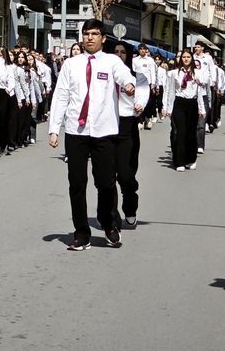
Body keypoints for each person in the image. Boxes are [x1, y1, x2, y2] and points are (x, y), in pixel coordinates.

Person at [48, 19, 135, 251]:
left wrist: (128, 85)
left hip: (104, 131)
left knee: (106, 183)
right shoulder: (71, 64)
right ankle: (81, 233)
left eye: (94, 34)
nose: (89, 38)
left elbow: (124, 76)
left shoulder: (111, 61)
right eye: (86, 33)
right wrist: (54, 129)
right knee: (76, 183)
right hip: (76, 131)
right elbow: (61, 96)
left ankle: (107, 222)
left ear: (103, 38)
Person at [111, 41, 148, 229]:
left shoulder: (137, 76)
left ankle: (130, 204)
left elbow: (142, 92)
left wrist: (139, 104)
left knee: (125, 175)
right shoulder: (105, 75)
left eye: (122, 52)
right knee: (107, 176)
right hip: (107, 125)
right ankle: (110, 217)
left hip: (127, 126)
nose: (119, 55)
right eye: (115, 52)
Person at [162, 49, 206, 172]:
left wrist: (202, 109)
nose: (186, 59)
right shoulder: (174, 73)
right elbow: (170, 91)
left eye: (188, 57)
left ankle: (191, 159)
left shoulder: (197, 73)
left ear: (192, 59)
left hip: (193, 103)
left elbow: (200, 92)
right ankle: (179, 161)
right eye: (183, 57)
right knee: (180, 133)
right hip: (179, 103)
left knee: (191, 133)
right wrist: (167, 108)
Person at [132, 44, 158, 129]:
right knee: (138, 101)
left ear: (146, 50)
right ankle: (140, 120)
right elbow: (133, 71)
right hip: (138, 84)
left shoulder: (150, 60)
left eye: (144, 49)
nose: (142, 51)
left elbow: (153, 72)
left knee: (149, 102)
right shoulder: (135, 60)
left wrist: (153, 84)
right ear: (138, 50)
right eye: (140, 49)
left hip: (148, 83)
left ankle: (148, 118)